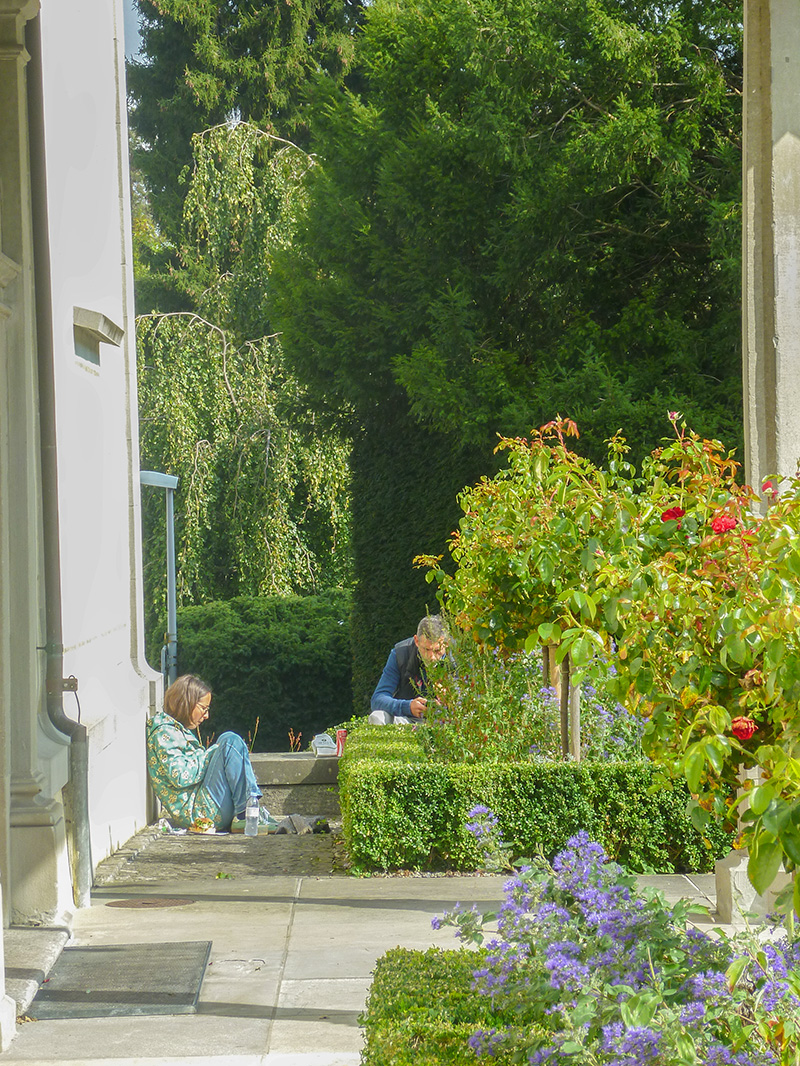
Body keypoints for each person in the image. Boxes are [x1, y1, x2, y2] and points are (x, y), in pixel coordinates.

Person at [146, 674, 264, 831]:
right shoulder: (163, 733)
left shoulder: (176, 731)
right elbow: (180, 775)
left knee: (229, 740)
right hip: (199, 814)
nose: (207, 715)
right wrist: (212, 753)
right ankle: (248, 813)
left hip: (205, 805)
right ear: (186, 703)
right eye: (203, 708)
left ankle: (250, 810)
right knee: (229, 741)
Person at [368, 615, 447, 725]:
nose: (431, 657)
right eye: (426, 649)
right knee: (377, 716)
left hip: (448, 722)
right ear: (416, 641)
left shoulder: (460, 656)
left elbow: (476, 702)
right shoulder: (400, 654)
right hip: (407, 720)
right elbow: (377, 699)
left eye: (437, 650)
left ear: (446, 644)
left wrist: (452, 698)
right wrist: (407, 706)